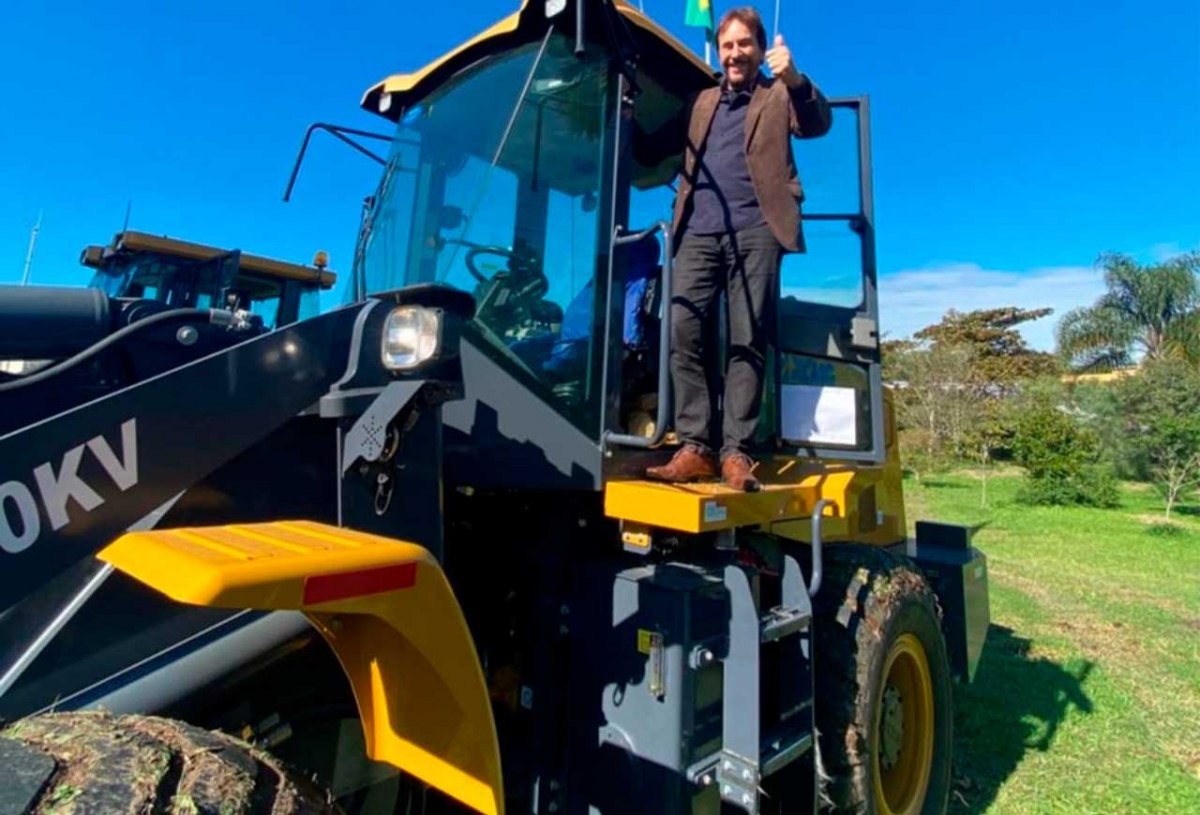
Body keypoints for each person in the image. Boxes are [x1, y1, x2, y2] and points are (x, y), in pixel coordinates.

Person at [635, 6, 831, 491]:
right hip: (698, 232)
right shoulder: (700, 102)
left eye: (745, 44)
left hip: (756, 229)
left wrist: (796, 78)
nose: (735, 53)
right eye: (728, 45)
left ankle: (735, 453)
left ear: (761, 50)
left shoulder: (778, 94)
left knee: (747, 338)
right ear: (719, 53)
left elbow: (817, 123)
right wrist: (620, 110)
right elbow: (651, 148)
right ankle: (695, 446)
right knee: (681, 331)